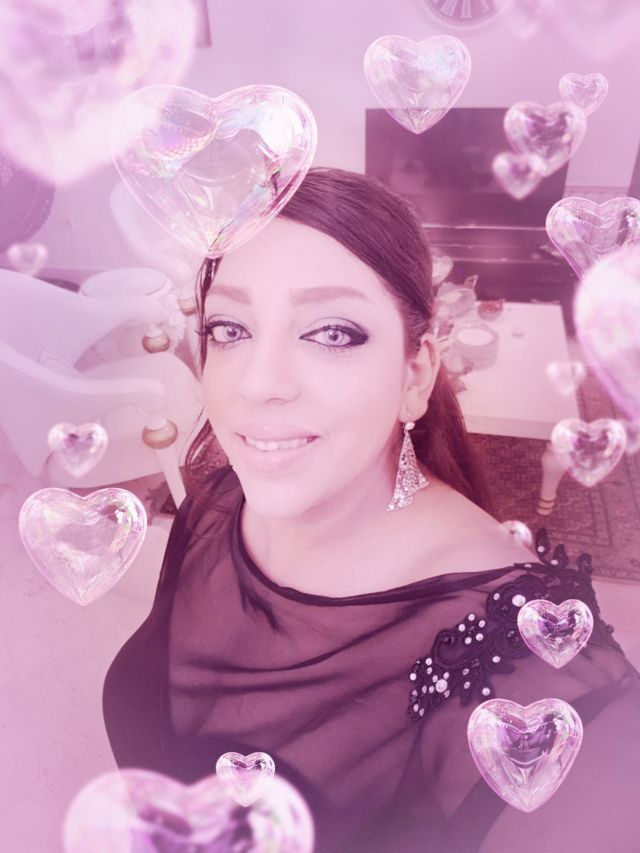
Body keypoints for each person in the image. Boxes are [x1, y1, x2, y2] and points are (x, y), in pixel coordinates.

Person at [103, 168, 640, 852]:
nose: (258, 385)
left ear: (415, 375)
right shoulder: (212, 506)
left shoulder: (535, 674)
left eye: (332, 332)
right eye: (229, 328)